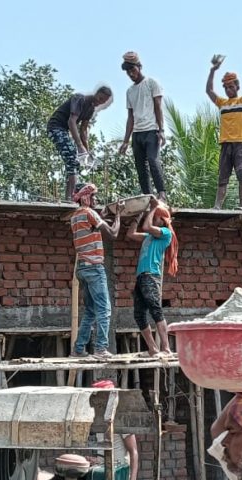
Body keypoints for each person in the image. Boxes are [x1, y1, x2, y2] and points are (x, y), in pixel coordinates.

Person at [69, 183, 121, 358]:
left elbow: (91, 228)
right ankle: (100, 348)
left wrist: (101, 217)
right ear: (86, 198)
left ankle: (78, 349)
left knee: (90, 311)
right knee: (104, 310)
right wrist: (119, 214)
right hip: (94, 268)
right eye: (93, 197)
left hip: (82, 268)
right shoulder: (89, 213)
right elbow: (113, 234)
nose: (96, 199)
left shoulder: (75, 216)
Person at [206, 49, 242, 209]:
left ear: (237, 86)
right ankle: (217, 206)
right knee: (222, 178)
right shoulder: (222, 103)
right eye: (226, 87)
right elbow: (208, 90)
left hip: (240, 144)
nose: (228, 89)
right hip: (225, 144)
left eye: (231, 86)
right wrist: (212, 70)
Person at [127, 200, 177, 356]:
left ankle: (166, 348)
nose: (152, 217)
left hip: (151, 275)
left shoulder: (165, 234)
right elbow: (130, 234)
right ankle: (153, 348)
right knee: (139, 314)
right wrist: (139, 215)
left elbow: (147, 226)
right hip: (142, 277)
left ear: (161, 220)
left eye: (155, 216)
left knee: (155, 310)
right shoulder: (149, 236)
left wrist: (154, 208)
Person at [47, 86, 114, 201]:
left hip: (64, 131)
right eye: (100, 98)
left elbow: (83, 130)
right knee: (72, 158)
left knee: (74, 162)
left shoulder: (91, 109)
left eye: (103, 102)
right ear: (96, 93)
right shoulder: (79, 99)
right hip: (55, 127)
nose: (100, 102)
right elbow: (71, 121)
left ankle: (69, 198)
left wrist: (87, 152)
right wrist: (79, 146)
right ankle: (70, 198)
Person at [118, 51, 168, 201]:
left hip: (151, 130)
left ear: (139, 67)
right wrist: (126, 141)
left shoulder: (152, 83)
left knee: (153, 160)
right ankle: (148, 195)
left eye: (132, 70)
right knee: (141, 167)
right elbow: (130, 117)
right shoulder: (130, 91)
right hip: (137, 133)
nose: (131, 74)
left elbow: (158, 107)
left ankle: (162, 193)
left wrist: (161, 130)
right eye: (128, 72)